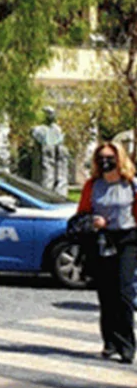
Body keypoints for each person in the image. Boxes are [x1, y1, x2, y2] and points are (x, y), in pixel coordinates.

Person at [75, 141, 137, 364]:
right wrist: (93, 221)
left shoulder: (131, 184)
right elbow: (80, 214)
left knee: (124, 291)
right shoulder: (93, 185)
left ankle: (127, 345)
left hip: (127, 239)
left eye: (110, 157)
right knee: (106, 293)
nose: (106, 161)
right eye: (101, 157)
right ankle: (110, 341)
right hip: (101, 240)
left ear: (119, 159)